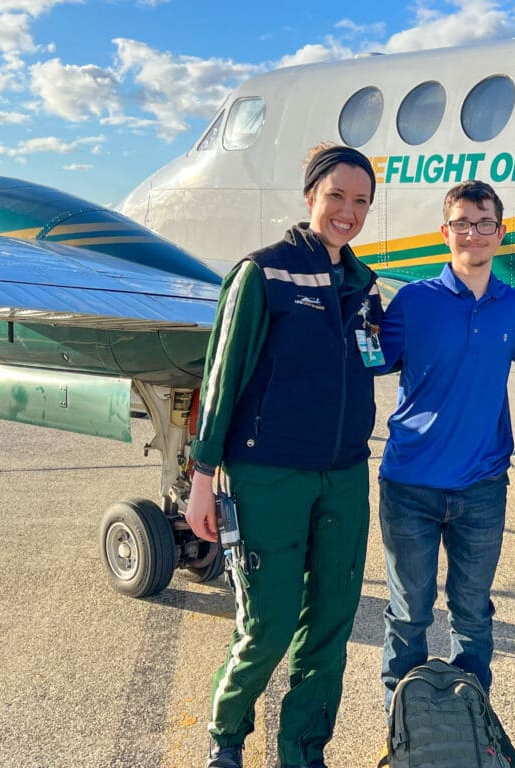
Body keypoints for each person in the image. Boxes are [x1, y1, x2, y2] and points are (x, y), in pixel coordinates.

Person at [184, 144, 384, 768]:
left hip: (344, 474)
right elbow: (222, 375)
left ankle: (304, 750)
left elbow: (374, 361)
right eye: (336, 197)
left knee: (329, 625)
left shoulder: (362, 286)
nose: (347, 212)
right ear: (310, 198)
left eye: (360, 201)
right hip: (267, 473)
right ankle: (226, 738)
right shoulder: (263, 274)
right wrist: (201, 476)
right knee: (267, 623)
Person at [376, 180, 515, 710]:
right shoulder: (414, 301)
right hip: (410, 486)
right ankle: (403, 727)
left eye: (484, 222)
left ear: (500, 232)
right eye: (462, 223)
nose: (473, 233)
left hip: (482, 489)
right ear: (445, 232)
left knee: (472, 615)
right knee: (409, 615)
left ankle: (472, 723)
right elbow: (366, 358)